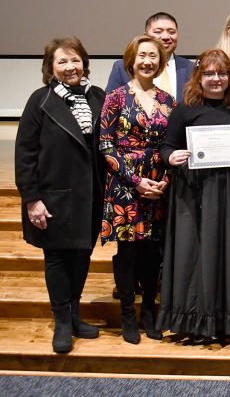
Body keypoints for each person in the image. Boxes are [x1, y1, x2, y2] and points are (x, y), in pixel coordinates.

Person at [157, 49, 230, 343]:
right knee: (195, 254)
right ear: (199, 77)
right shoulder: (185, 110)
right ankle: (194, 322)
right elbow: (166, 147)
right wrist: (172, 157)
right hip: (194, 195)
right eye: (209, 73)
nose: (216, 79)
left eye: (222, 73)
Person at [15, 37, 105, 354]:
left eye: (75, 60)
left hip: (90, 196)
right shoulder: (40, 100)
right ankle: (62, 320)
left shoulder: (98, 97)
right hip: (54, 196)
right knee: (56, 259)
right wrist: (32, 199)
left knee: (82, 256)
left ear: (84, 63)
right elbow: (25, 154)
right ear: (51, 68)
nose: (70, 67)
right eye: (62, 62)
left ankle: (76, 313)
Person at [99, 35, 175, 344]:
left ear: (161, 62)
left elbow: (175, 143)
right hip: (125, 187)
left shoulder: (168, 101)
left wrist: (165, 180)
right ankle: (128, 315)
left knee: (152, 253)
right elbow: (105, 144)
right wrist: (135, 181)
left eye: (153, 56)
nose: (148, 61)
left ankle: (149, 312)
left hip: (157, 185)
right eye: (142, 55)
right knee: (128, 252)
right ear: (132, 59)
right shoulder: (116, 97)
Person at [106, 12, 194, 102]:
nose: (166, 37)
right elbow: (110, 103)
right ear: (146, 35)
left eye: (172, 32)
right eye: (158, 32)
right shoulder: (122, 67)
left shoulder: (191, 68)